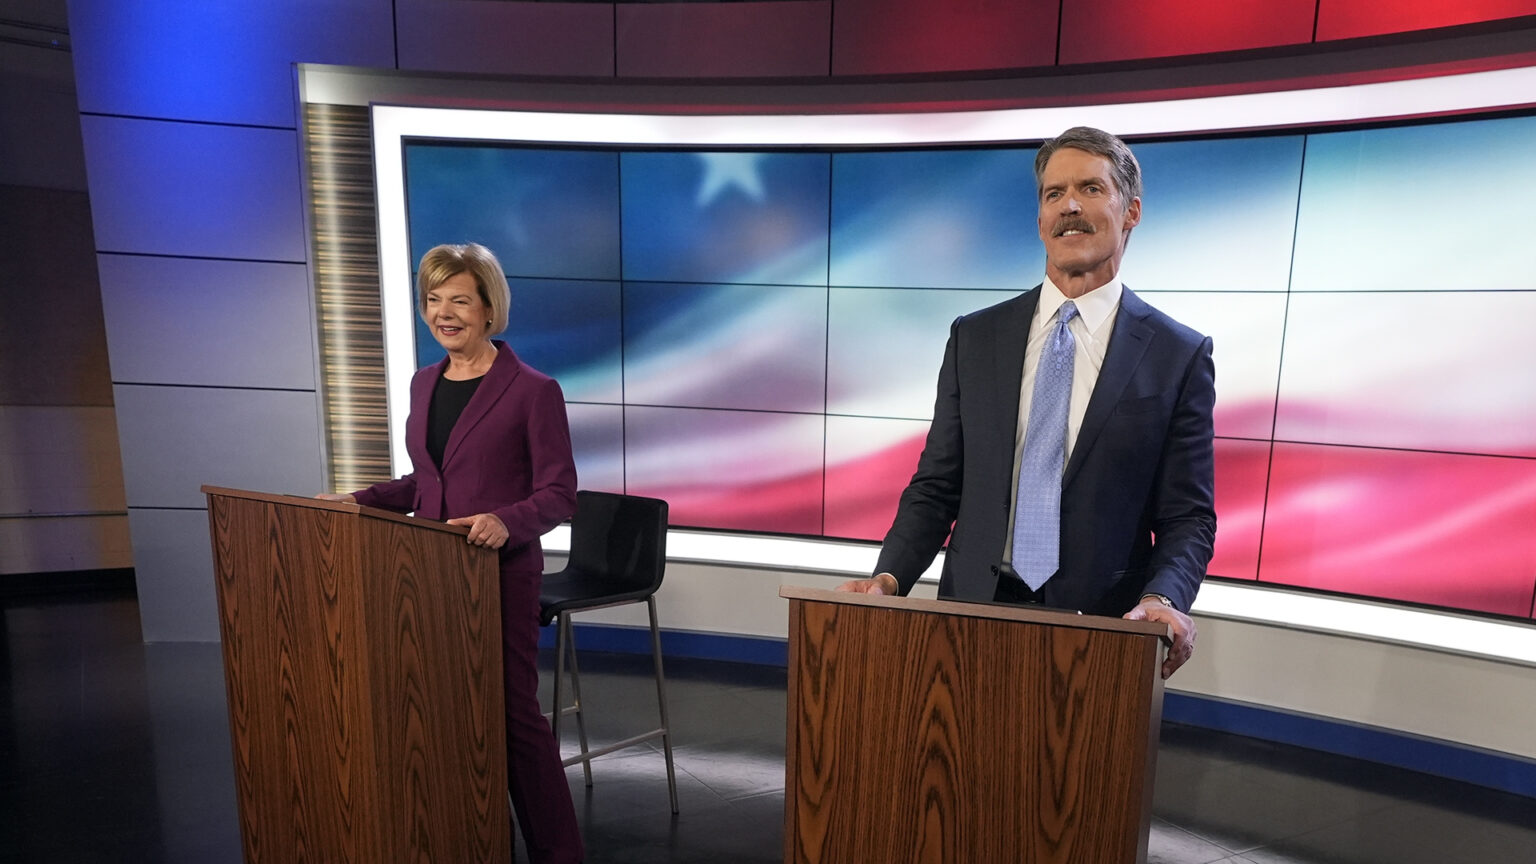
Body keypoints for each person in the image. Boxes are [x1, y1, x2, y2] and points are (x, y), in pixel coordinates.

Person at [839, 127, 1215, 679]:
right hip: (969, 620)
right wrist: (888, 576)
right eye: (1053, 193)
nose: (1069, 206)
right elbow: (937, 485)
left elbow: (1187, 516)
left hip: (1102, 634)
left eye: (1090, 188)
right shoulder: (976, 337)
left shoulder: (1178, 355)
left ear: (1131, 211)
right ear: (1040, 219)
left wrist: (1163, 597)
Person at [318, 243, 583, 863]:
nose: (444, 313)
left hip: (498, 575)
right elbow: (425, 483)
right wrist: (357, 500)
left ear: (490, 308)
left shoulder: (532, 390)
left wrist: (504, 520)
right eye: (433, 300)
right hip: (427, 577)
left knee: (514, 717)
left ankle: (559, 852)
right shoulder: (424, 382)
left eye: (459, 299)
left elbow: (560, 492)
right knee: (440, 711)